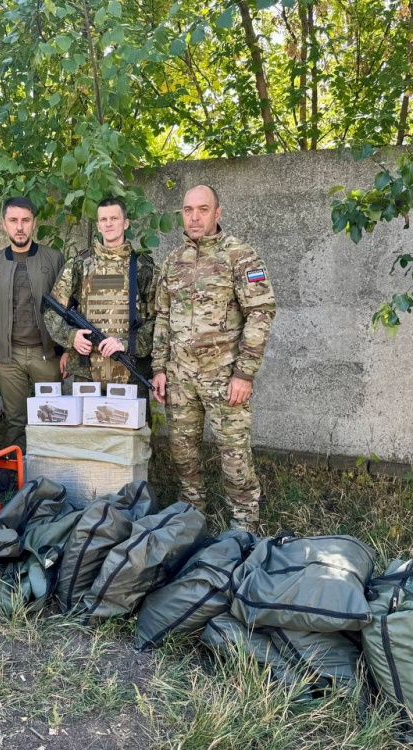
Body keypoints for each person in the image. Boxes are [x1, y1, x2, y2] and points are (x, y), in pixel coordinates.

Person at [152, 185, 276, 530]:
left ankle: (243, 525)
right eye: (188, 210)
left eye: (202, 209)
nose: (194, 217)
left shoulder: (241, 256)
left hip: (224, 377)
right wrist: (159, 368)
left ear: (217, 213)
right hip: (180, 378)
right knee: (182, 453)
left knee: (234, 457)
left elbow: (260, 312)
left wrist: (244, 374)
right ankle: (192, 516)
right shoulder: (172, 262)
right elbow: (162, 317)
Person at [0, 197, 66, 452]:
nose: (19, 227)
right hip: (8, 356)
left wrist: (66, 351)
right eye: (13, 220)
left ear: (34, 223)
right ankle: (20, 474)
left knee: (52, 418)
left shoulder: (53, 259)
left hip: (46, 354)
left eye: (25, 220)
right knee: (15, 421)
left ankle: (52, 470)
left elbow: (69, 307)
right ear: (4, 224)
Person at [44, 197, 155, 389]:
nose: (109, 224)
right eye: (104, 220)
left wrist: (126, 344)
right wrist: (71, 336)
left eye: (114, 218)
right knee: (87, 421)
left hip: (131, 372)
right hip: (87, 372)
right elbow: (51, 310)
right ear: (98, 225)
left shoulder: (143, 268)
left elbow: (159, 320)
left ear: (126, 222)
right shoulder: (79, 264)